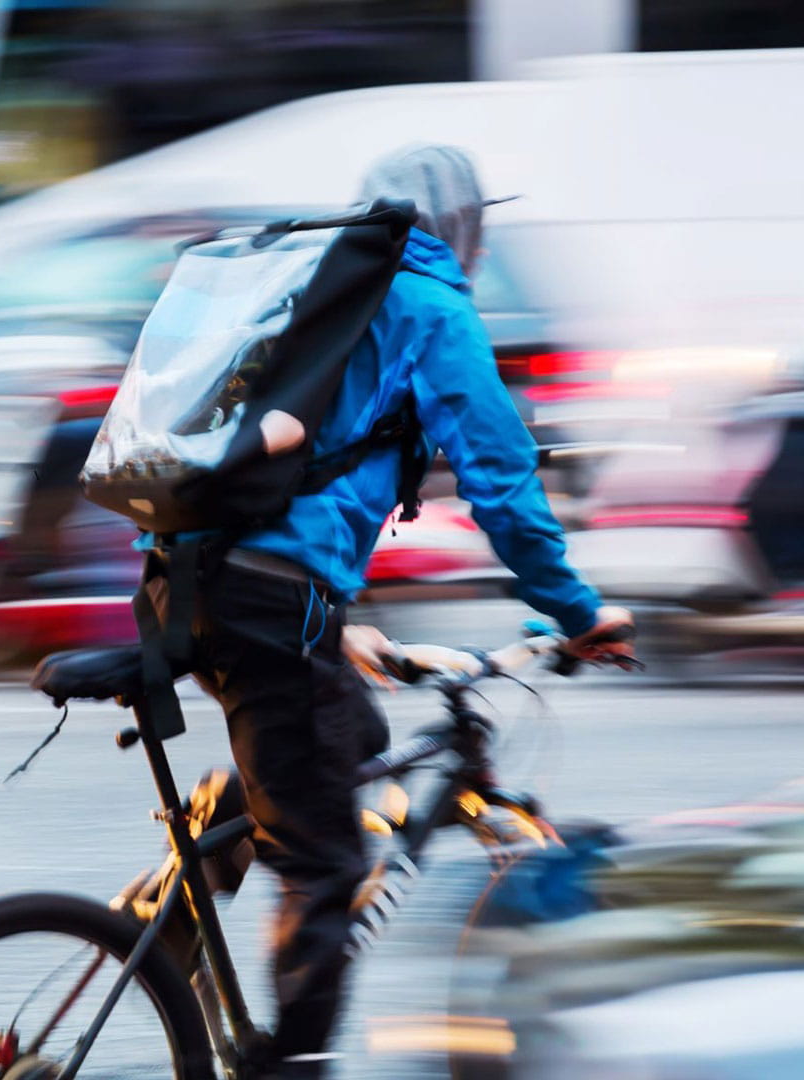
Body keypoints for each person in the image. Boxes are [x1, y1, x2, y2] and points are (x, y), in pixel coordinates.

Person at [148, 143, 632, 1078]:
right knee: (326, 867)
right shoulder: (429, 307)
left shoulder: (315, 286)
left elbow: (297, 471)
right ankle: (287, 1066)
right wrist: (576, 611)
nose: (481, 243)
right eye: (477, 225)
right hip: (263, 603)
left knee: (351, 730)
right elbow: (501, 479)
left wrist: (336, 613)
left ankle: (205, 857)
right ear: (458, 225)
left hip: (186, 579)